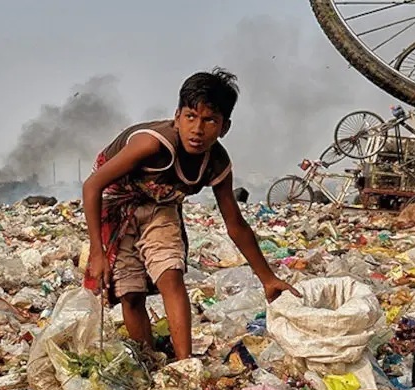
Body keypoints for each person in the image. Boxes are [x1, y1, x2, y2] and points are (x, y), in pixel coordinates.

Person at [82, 67, 299, 361]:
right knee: (130, 292)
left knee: (171, 275)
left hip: (161, 205)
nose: (197, 129)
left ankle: (184, 366)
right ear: (177, 117)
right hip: (115, 201)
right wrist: (97, 251)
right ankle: (149, 361)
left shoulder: (216, 163)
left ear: (224, 127)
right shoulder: (152, 144)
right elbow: (93, 185)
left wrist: (268, 278)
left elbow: (234, 223)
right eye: (190, 117)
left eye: (210, 120)